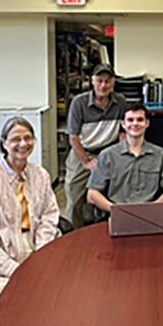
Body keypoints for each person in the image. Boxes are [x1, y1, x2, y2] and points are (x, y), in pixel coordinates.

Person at [0, 116, 60, 312]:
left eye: (28, 138)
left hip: (33, 253)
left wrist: (41, 255)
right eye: (15, 139)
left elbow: (49, 216)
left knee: (58, 301)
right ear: (4, 144)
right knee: (19, 312)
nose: (23, 144)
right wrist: (14, 269)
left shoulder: (40, 175)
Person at [64, 63, 126, 228]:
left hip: (108, 152)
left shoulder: (121, 102)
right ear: (92, 81)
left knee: (114, 194)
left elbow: (122, 132)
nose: (103, 85)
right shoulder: (79, 103)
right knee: (74, 195)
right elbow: (74, 137)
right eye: (99, 80)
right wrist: (86, 162)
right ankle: (73, 235)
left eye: (107, 81)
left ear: (113, 83)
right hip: (82, 152)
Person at [87, 103, 163, 212]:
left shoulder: (160, 155)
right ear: (123, 124)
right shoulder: (107, 155)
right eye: (130, 120)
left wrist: (153, 209)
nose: (135, 123)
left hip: (150, 214)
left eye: (140, 120)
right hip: (117, 213)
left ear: (147, 123)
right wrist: (114, 209)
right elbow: (92, 193)